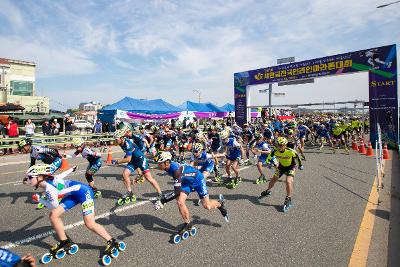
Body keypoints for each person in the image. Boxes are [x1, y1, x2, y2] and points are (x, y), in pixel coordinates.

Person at [22, 164, 122, 263]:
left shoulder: (49, 189)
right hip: (73, 194)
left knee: (89, 223)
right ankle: (64, 242)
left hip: (84, 192)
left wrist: (39, 199)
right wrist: (71, 169)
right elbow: (61, 175)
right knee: (53, 215)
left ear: (40, 177)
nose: (28, 179)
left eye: (30, 177)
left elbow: (53, 206)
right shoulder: (50, 180)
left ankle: (112, 241)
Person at [155, 151, 228, 235]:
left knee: (207, 206)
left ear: (167, 162)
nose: (158, 165)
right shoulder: (167, 167)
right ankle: (187, 224)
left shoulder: (176, 171)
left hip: (198, 180)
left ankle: (220, 204)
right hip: (186, 182)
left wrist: (163, 201)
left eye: (160, 163)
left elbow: (177, 192)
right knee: (180, 202)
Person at [110, 126, 163, 206]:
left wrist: (118, 161)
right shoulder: (121, 143)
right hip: (134, 160)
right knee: (125, 174)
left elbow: (128, 159)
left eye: (116, 139)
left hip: (141, 160)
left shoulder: (128, 144)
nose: (115, 140)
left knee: (149, 178)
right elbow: (128, 156)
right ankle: (129, 192)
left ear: (121, 137)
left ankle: (160, 194)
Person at [260, 137, 303, 212]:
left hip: (291, 167)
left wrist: (300, 165)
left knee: (288, 181)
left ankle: (288, 198)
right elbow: (269, 158)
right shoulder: (275, 151)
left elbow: (297, 158)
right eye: (278, 145)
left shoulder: (290, 151)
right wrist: (269, 163)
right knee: (273, 179)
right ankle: (268, 190)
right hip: (281, 167)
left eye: (282, 145)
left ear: (285, 145)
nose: (280, 146)